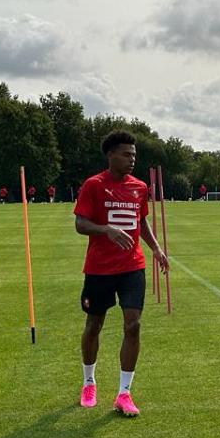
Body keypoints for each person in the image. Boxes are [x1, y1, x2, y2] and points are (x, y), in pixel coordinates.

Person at [74, 130, 169, 417]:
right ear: (111, 155)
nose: (132, 160)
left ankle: (124, 393)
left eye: (134, 155)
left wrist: (155, 248)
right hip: (100, 269)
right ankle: (89, 382)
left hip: (132, 267)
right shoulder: (93, 185)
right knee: (94, 325)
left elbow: (141, 221)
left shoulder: (139, 187)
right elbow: (80, 223)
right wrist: (105, 229)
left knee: (134, 326)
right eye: (126, 154)